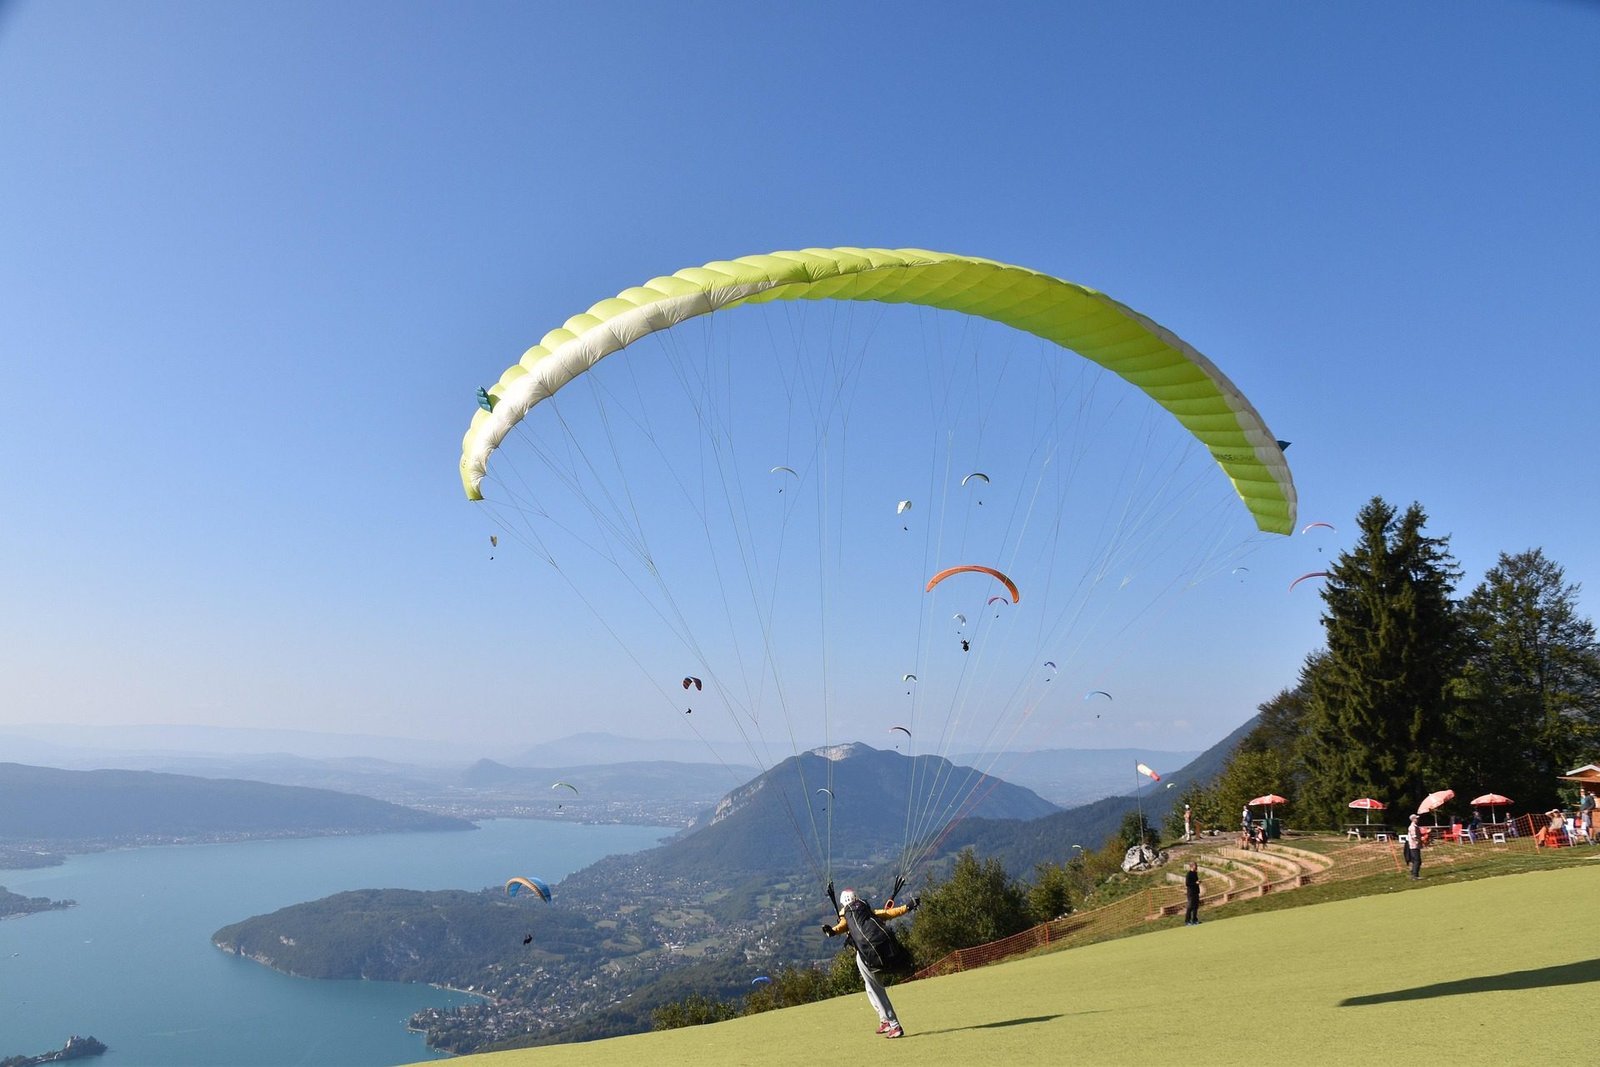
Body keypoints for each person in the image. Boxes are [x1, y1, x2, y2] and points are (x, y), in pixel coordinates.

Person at [823, 886, 917, 1039]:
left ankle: (894, 1025)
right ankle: (884, 1020)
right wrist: (908, 907)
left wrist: (831, 931)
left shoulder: (847, 915)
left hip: (866, 956)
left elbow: (841, 927)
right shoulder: (866, 910)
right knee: (870, 987)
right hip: (876, 952)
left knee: (877, 989)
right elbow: (887, 913)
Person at [1405, 814, 1424, 879]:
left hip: (1416, 845)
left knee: (1417, 860)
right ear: (1413, 819)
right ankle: (1415, 875)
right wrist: (1421, 840)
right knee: (1417, 860)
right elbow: (1414, 837)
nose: (1417, 819)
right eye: (1416, 818)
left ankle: (1413, 872)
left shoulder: (1415, 826)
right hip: (1414, 846)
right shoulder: (1412, 827)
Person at [1184, 860, 1202, 925]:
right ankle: (1187, 921)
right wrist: (1195, 883)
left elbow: (1195, 882)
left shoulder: (1195, 873)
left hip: (1196, 892)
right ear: (1192, 866)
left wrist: (1198, 882)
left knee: (1195, 907)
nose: (1196, 866)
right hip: (1191, 893)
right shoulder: (1189, 874)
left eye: (1196, 865)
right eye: (1195, 865)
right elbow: (1187, 883)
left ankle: (1194, 920)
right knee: (1190, 907)